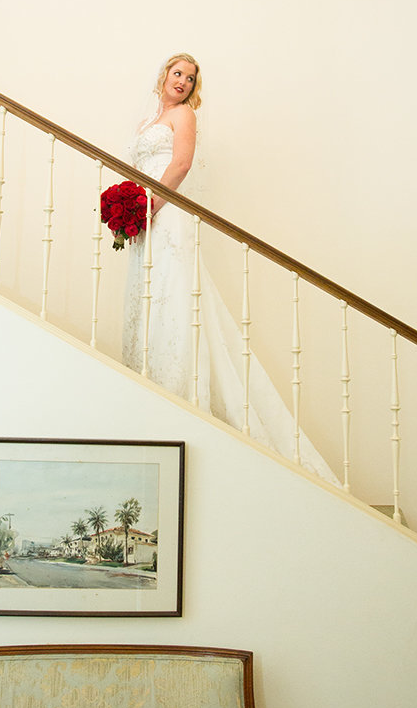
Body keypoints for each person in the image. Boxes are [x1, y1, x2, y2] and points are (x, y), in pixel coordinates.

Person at [121, 53, 336, 483]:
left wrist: (148, 206)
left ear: (193, 87)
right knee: (145, 301)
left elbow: (179, 165)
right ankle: (146, 400)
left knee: (175, 296)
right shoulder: (147, 122)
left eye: (190, 77)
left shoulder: (183, 116)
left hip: (164, 217)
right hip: (144, 221)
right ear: (164, 74)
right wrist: (126, 208)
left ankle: (185, 403)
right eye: (177, 72)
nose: (182, 81)